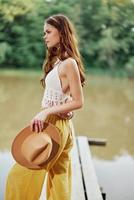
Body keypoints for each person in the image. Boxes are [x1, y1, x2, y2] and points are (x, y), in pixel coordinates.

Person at [5, 14, 85, 200]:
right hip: (61, 126)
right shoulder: (58, 61)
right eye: (44, 33)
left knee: (18, 177)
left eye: (48, 32)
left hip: (54, 127)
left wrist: (45, 112)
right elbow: (67, 98)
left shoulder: (69, 63)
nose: (44, 36)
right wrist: (63, 107)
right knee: (59, 178)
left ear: (62, 33)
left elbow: (79, 101)